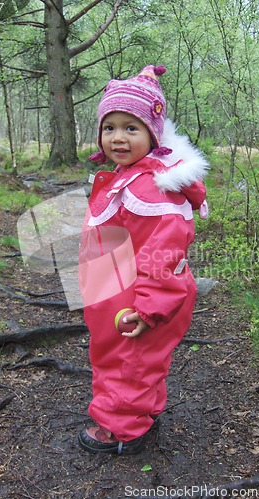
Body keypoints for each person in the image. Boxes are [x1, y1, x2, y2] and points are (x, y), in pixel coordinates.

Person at [77, 64, 209, 455]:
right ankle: (143, 410)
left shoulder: (153, 189)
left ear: (152, 134)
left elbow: (164, 253)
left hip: (139, 298)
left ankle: (122, 429)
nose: (118, 137)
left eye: (131, 128)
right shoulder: (127, 174)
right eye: (110, 127)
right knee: (133, 358)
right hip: (116, 288)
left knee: (127, 362)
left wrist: (148, 307)